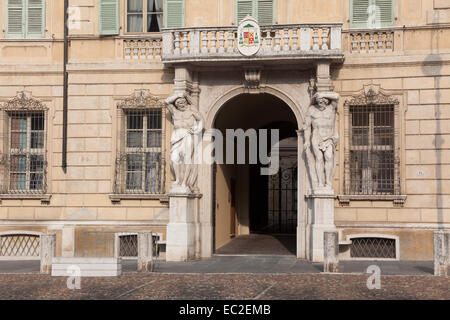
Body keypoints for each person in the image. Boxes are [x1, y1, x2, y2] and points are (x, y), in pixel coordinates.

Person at [165, 92, 203, 193]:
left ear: (186, 102)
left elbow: (201, 120)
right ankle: (178, 179)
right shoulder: (174, 111)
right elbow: (166, 101)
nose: (180, 105)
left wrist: (196, 129)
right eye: (178, 103)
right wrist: (179, 94)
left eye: (182, 103)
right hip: (177, 136)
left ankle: (184, 182)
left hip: (187, 135)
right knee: (174, 159)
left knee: (187, 159)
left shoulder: (191, 110)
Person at [303, 92, 339, 191]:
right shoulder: (312, 110)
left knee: (328, 157)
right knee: (318, 158)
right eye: (318, 102)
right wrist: (306, 141)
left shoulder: (331, 108)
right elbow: (307, 128)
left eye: (322, 102)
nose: (320, 104)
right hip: (316, 137)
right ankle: (320, 183)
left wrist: (321, 93)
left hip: (328, 137)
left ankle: (328, 183)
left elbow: (336, 97)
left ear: (326, 101)